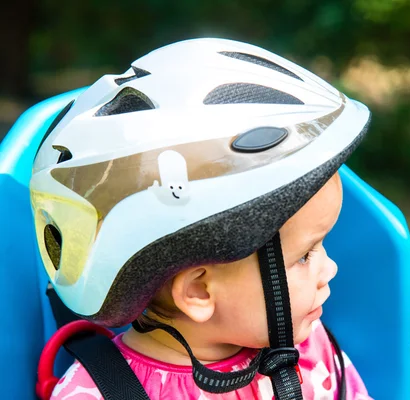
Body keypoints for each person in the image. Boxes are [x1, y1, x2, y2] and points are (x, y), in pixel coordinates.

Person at [30, 38, 372, 400]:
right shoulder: (96, 394)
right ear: (198, 291)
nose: (330, 268)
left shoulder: (307, 354)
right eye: (305, 255)